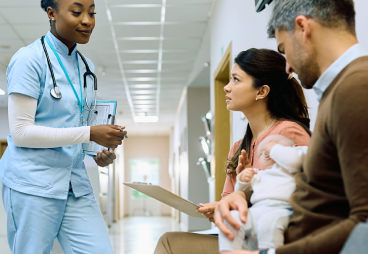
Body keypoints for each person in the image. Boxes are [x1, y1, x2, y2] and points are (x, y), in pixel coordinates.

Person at [215, 0, 368, 254]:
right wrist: (242, 194)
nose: (287, 67)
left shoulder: (355, 89)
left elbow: (364, 224)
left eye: (284, 50)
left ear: (302, 27)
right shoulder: (341, 90)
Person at [154, 48, 311, 254]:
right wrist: (219, 208)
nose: (226, 88)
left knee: (169, 243)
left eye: (236, 80)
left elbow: (305, 199)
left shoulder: (288, 134)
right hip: (243, 235)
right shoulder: (239, 148)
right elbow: (230, 198)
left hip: (274, 241)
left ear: (261, 91)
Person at [0, 0, 127, 253]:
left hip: (74, 183)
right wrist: (90, 133)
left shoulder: (86, 67)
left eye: (92, 13)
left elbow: (79, 122)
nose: (87, 21)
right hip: (33, 183)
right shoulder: (28, 59)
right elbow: (22, 133)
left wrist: (97, 151)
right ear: (51, 13)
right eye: (77, 12)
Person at [219, 134, 307, 253]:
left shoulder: (295, 162)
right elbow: (240, 193)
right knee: (233, 216)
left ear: (293, 146)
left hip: (280, 209)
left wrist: (273, 148)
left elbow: (295, 160)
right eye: (262, 152)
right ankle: (228, 250)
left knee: (269, 222)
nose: (266, 149)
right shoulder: (262, 174)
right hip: (256, 210)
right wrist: (243, 179)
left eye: (273, 142)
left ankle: (265, 251)